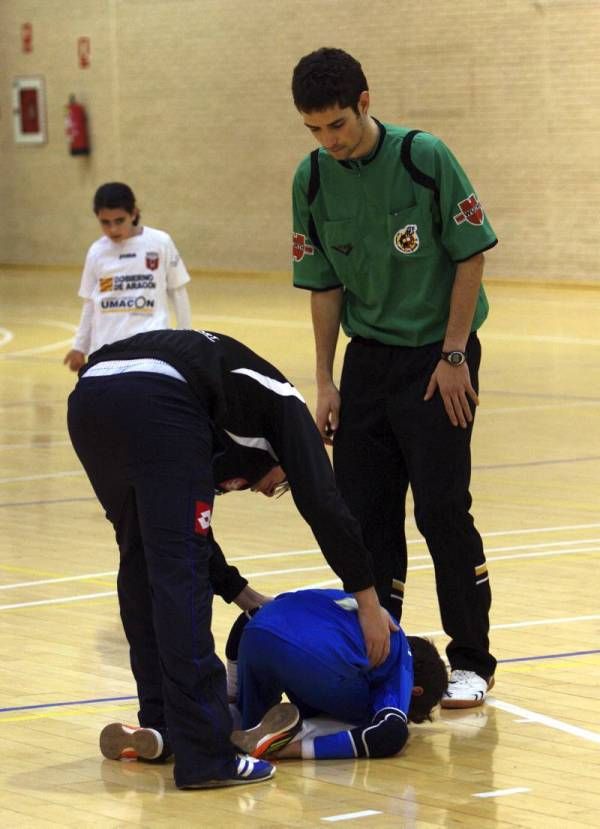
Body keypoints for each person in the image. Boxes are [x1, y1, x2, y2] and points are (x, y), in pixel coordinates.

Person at [67, 328, 394, 789]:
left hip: (91, 395)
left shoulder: (220, 434)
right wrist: (367, 599)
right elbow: (324, 503)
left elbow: (184, 537)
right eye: (279, 484)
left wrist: (240, 592)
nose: (268, 491)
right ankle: (206, 756)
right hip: (158, 394)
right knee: (178, 576)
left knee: (141, 555)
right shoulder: (288, 408)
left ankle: (164, 725)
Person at [291, 47, 498, 708]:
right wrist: (325, 381)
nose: (329, 141)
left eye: (338, 127)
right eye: (315, 130)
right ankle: (393, 652)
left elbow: (471, 255)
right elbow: (323, 286)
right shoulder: (313, 180)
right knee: (366, 514)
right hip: (369, 362)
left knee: (441, 508)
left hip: (438, 357)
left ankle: (472, 659)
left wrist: (455, 353)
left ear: (365, 103)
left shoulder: (423, 157)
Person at [226, 588, 448, 761]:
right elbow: (389, 733)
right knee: (374, 720)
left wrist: (234, 687)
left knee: (249, 723)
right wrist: (291, 752)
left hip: (254, 632)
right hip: (308, 659)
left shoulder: (363, 607)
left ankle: (223, 715)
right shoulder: (402, 663)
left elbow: (248, 617)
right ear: (415, 691)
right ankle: (289, 740)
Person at [64, 182, 192, 373]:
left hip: (150, 350)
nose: (113, 229)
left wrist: (186, 339)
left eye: (119, 220)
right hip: (105, 351)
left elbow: (178, 292)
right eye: (105, 222)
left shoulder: (160, 242)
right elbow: (90, 302)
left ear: (134, 213)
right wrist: (79, 346)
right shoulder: (97, 252)